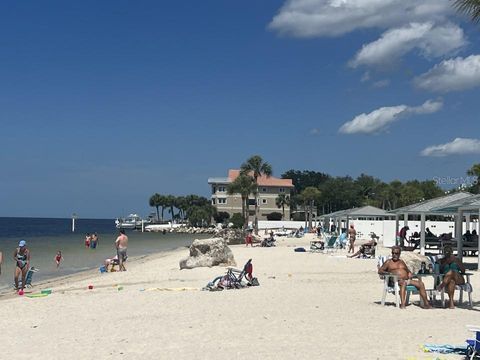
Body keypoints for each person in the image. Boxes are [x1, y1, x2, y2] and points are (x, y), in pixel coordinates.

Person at [436, 245, 466, 309]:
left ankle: (442, 285)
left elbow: (463, 271)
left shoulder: (456, 259)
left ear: (451, 252)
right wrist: (446, 262)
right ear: (443, 252)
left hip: (458, 278)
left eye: (449, 251)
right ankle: (451, 303)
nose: (447, 253)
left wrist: (456, 262)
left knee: (452, 272)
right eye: (446, 252)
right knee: (451, 281)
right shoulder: (441, 261)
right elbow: (438, 271)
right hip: (448, 280)